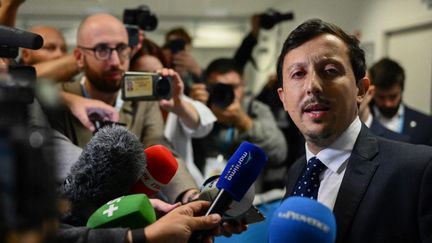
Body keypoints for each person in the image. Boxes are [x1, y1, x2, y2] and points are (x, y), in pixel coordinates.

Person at [277, 19, 432, 242]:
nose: (312, 86)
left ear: (361, 90)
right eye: (298, 74)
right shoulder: (297, 171)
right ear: (283, 97)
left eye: (329, 70)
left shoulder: (418, 170)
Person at [48, 13, 198, 204]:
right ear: (79, 57)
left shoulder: (143, 102)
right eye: (102, 50)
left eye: (121, 49)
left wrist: (189, 195)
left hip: (130, 215)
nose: (116, 61)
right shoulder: (59, 99)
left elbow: (159, 147)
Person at [191, 58, 287, 192]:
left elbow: (279, 153)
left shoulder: (255, 109)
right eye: (219, 87)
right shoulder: (198, 108)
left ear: (243, 86)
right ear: (207, 87)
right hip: (200, 190)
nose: (227, 93)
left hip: (247, 196)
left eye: (233, 87)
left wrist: (243, 122)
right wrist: (193, 113)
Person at [130, 39, 216, 185]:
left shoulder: (175, 101)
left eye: (157, 75)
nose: (151, 83)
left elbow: (203, 126)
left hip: (182, 187)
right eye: (143, 76)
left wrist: (180, 108)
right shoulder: (121, 106)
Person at [369, 57, 432, 145]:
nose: (388, 104)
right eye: (381, 97)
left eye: (393, 96)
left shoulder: (425, 124)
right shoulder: (360, 121)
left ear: (401, 90)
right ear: (371, 92)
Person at [163, 27, 203, 94]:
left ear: (189, 46)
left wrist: (198, 72)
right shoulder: (162, 63)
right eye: (172, 43)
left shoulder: (195, 68)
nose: (176, 46)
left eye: (180, 43)